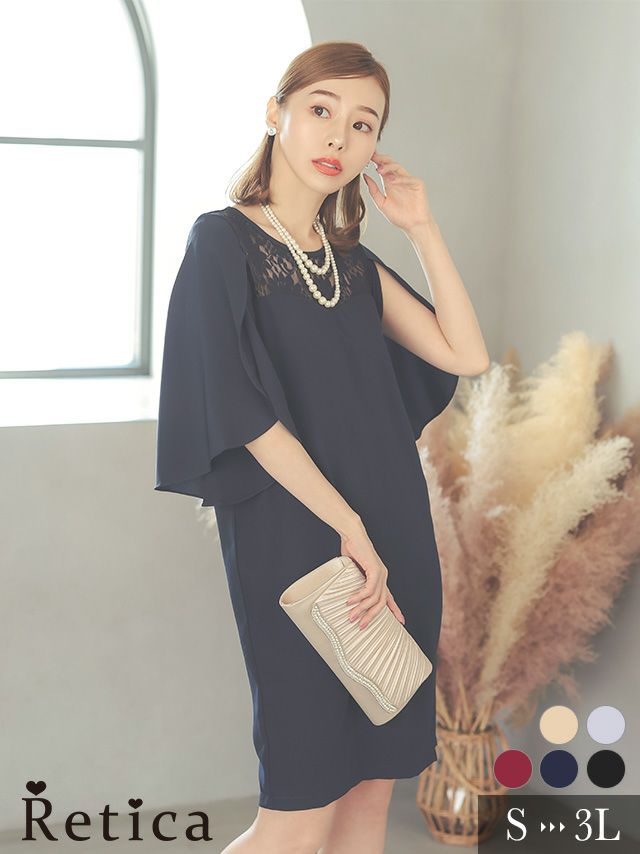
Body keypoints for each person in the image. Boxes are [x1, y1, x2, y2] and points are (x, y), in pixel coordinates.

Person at [155, 41, 489, 854]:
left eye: (364, 124)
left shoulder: (353, 266)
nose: (340, 135)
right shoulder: (221, 244)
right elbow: (244, 413)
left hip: (394, 539)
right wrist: (348, 526)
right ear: (276, 114)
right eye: (320, 109)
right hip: (298, 541)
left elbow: (466, 354)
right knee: (298, 818)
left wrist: (422, 228)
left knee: (368, 802)